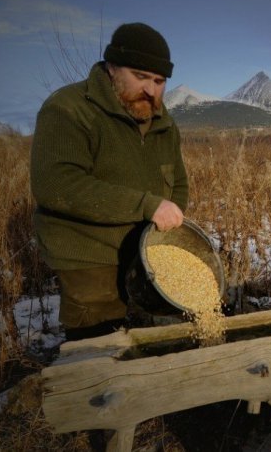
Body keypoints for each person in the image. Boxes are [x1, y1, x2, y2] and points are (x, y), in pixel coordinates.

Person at [30, 22, 188, 341]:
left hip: (146, 251)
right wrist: (147, 205)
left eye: (159, 81)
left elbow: (178, 183)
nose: (151, 89)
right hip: (89, 254)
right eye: (141, 77)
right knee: (97, 347)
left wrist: (166, 230)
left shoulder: (163, 122)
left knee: (156, 341)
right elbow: (57, 185)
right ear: (112, 67)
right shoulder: (69, 108)